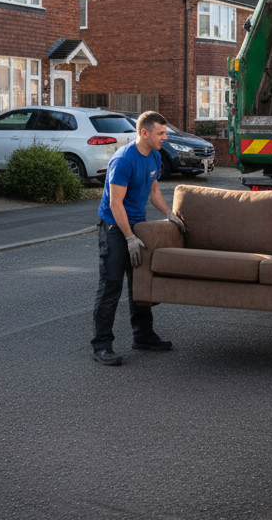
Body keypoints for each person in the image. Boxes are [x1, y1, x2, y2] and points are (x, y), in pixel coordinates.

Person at [91, 111, 188, 366]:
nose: (164, 138)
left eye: (165, 133)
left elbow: (153, 189)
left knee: (140, 283)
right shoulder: (123, 160)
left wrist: (170, 214)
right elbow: (115, 203)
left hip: (138, 225)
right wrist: (129, 238)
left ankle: (143, 336)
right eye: (161, 133)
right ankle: (101, 344)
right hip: (115, 226)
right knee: (111, 285)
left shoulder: (155, 156)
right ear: (144, 133)